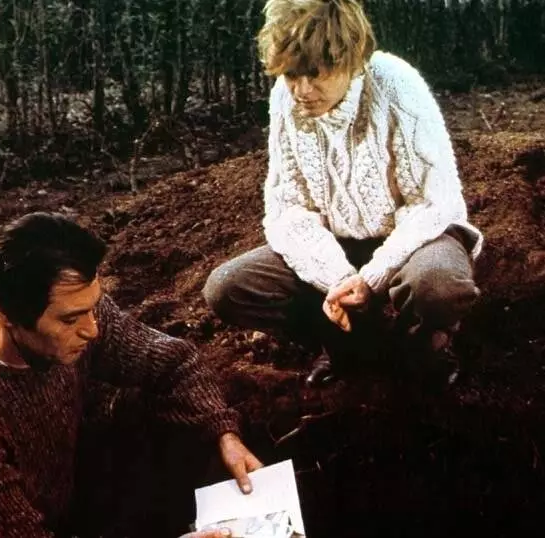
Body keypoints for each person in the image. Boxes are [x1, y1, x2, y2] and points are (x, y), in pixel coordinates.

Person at [0, 212, 261, 538]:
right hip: (7, 526)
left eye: (92, 308)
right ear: (5, 312)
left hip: (65, 500)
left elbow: (172, 363)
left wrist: (223, 434)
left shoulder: (73, 306)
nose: (92, 330)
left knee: (150, 415)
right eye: (71, 319)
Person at [203, 0, 483, 386]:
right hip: (338, 244)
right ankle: (346, 345)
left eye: (315, 74)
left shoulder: (396, 84)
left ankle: (425, 345)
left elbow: (434, 203)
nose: (302, 90)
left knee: (437, 287)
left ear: (350, 61)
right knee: (227, 287)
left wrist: (371, 278)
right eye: (290, 75)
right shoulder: (286, 99)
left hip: (417, 238)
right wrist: (336, 277)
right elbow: (288, 208)